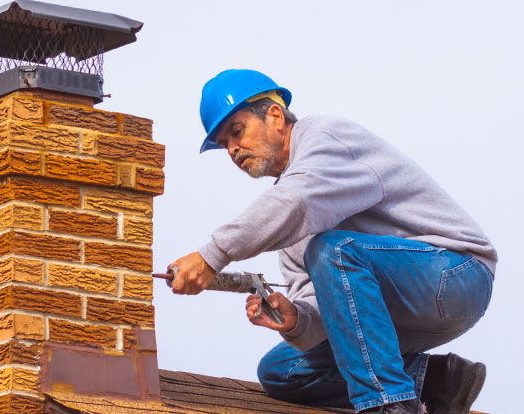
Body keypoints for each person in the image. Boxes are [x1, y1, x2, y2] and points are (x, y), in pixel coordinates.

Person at [168, 69, 496, 414]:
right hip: (394, 314)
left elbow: (297, 201)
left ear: (276, 116)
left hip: (457, 275)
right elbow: (327, 309)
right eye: (224, 145)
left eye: (237, 132)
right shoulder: (288, 218)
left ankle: (390, 405)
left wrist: (211, 256)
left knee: (334, 250)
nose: (233, 149)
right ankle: (439, 379)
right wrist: (296, 318)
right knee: (282, 370)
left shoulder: (325, 139)